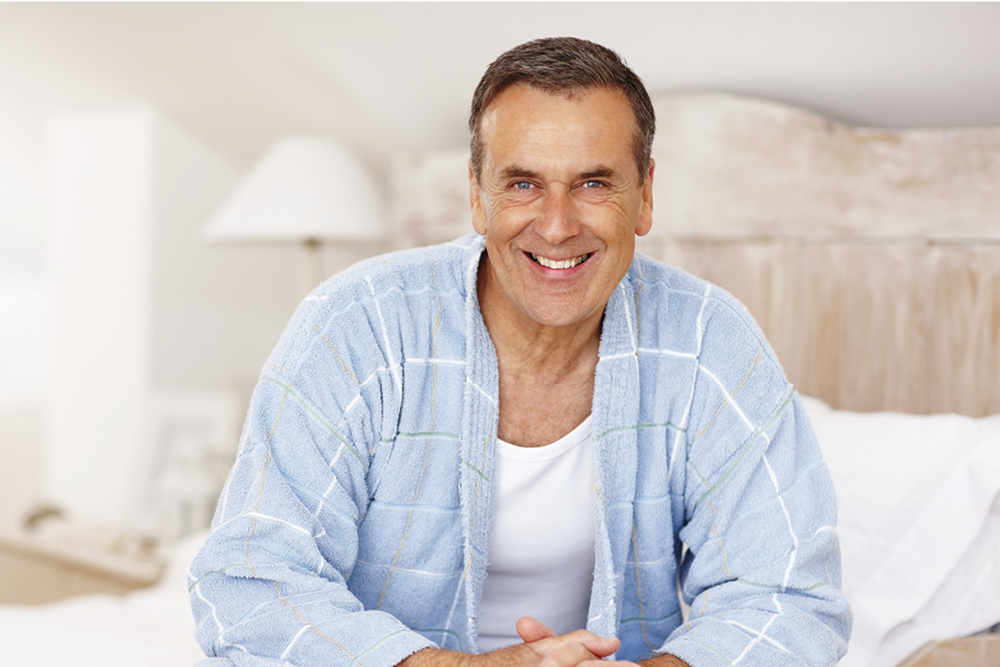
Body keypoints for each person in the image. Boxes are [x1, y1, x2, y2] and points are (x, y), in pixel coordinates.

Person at [190, 37, 851, 667]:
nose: (558, 224)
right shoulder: (355, 327)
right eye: (523, 184)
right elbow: (249, 584)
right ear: (476, 195)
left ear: (645, 194)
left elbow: (790, 598)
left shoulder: (711, 341)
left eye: (594, 183)